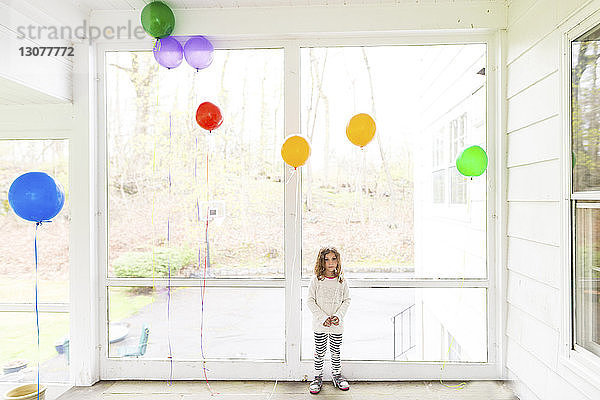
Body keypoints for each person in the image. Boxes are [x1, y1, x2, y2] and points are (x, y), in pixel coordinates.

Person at [307, 246, 351, 394]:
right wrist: (323, 318)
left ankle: (336, 375)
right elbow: (310, 301)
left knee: (335, 351)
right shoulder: (316, 280)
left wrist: (338, 316)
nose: (330, 263)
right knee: (319, 351)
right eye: (327, 260)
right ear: (322, 262)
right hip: (320, 325)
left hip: (337, 326)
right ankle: (317, 377)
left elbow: (347, 300)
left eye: (333, 259)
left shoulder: (341, 281)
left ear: (338, 261)